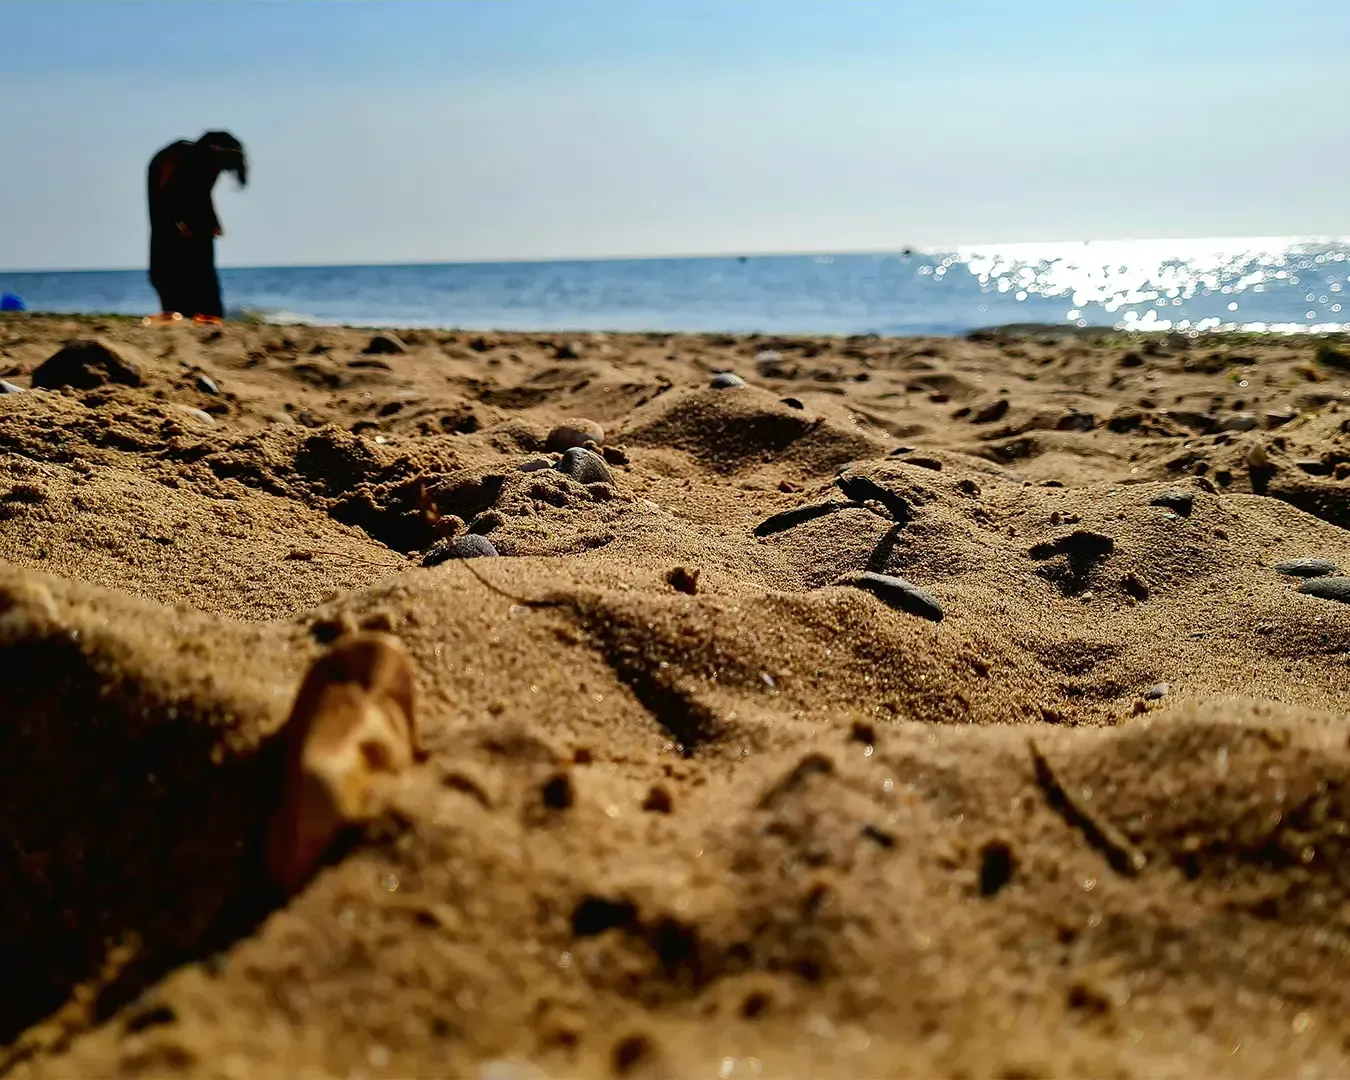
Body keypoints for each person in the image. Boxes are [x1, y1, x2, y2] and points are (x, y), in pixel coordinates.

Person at [146, 131, 247, 325]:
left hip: (195, 218)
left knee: (202, 262)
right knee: (168, 261)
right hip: (167, 217)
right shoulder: (178, 157)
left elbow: (202, 194)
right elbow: (165, 195)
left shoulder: (211, 163)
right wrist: (177, 222)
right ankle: (179, 310)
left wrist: (213, 220)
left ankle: (206, 312)